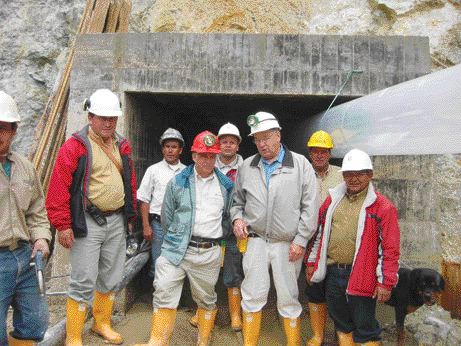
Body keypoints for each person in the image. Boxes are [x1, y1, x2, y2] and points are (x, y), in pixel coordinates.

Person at [46, 89, 137, 345]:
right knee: (83, 279)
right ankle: (73, 336)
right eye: (103, 117)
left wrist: (129, 214)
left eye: (113, 118)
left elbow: (129, 180)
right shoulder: (75, 146)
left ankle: (101, 323)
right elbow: (58, 188)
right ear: (90, 116)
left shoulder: (122, 144)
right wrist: (62, 225)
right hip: (87, 221)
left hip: (117, 220)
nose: (109, 122)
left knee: (111, 276)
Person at [134, 131, 233, 346]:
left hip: (208, 251)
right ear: (194, 155)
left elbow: (227, 218)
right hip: (176, 249)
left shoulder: (225, 186)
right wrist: (179, 238)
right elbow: (167, 218)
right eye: (203, 155)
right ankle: (157, 342)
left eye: (211, 156)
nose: (207, 160)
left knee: (206, 299)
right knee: (163, 291)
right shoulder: (178, 182)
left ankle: (203, 341)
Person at [231, 112, 319, 345]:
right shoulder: (247, 166)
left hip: (287, 244)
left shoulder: (300, 165)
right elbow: (237, 202)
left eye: (267, 137)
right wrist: (237, 220)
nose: (262, 144)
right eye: (257, 139)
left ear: (278, 135)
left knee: (288, 297)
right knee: (252, 294)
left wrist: (301, 240)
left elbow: (311, 208)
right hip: (255, 241)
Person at [305, 149, 400, 346]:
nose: (353, 179)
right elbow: (320, 233)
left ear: (370, 175)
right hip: (333, 272)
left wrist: (385, 282)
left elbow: (390, 249)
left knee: (365, 326)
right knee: (340, 321)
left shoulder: (383, 207)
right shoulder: (334, 199)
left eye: (360, 174)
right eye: (349, 174)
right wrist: (312, 261)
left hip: (362, 274)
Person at [0, 91, 51, 345]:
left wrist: (41, 238)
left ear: (14, 130)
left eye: (2, 128)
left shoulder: (24, 166)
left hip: (24, 256)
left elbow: (36, 211)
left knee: (35, 323)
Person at [190, 122, 244, 331]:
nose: (228, 146)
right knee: (205, 272)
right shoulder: (207, 163)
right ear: (218, 145)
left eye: (232, 142)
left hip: (233, 230)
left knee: (234, 271)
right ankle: (200, 311)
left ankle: (235, 316)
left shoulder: (246, 167)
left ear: (238, 145)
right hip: (210, 229)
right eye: (224, 142)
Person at [305, 130, 343, 346]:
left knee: (337, 288)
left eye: (323, 151)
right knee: (314, 287)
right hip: (310, 239)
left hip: (335, 238)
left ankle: (341, 334)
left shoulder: (341, 174)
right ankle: (318, 334)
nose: (319, 155)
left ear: (330, 153)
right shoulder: (302, 174)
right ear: (310, 153)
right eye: (315, 151)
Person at [137, 128, 185, 281]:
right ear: (163, 149)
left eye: (174, 147)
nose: (170, 150)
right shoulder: (153, 170)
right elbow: (144, 199)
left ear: (180, 150)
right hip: (158, 225)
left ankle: (176, 298)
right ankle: (156, 298)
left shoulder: (187, 172)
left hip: (180, 226)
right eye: (167, 146)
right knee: (158, 261)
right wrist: (146, 225)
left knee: (179, 261)